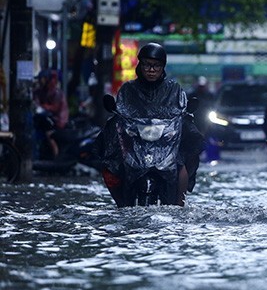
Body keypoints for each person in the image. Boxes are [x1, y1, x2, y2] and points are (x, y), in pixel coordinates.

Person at [94, 43, 204, 207]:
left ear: (162, 67)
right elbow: (121, 113)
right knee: (110, 159)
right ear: (140, 65)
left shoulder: (174, 89)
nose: (151, 70)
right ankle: (121, 203)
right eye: (147, 65)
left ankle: (180, 204)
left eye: (156, 66)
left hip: (166, 144)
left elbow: (182, 112)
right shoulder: (128, 90)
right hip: (135, 144)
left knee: (183, 157)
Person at [33, 69, 69, 158]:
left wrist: (43, 106)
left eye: (43, 80)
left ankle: (56, 156)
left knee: (49, 135)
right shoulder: (43, 90)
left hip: (58, 120)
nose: (41, 82)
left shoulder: (56, 92)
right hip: (49, 119)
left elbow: (54, 108)